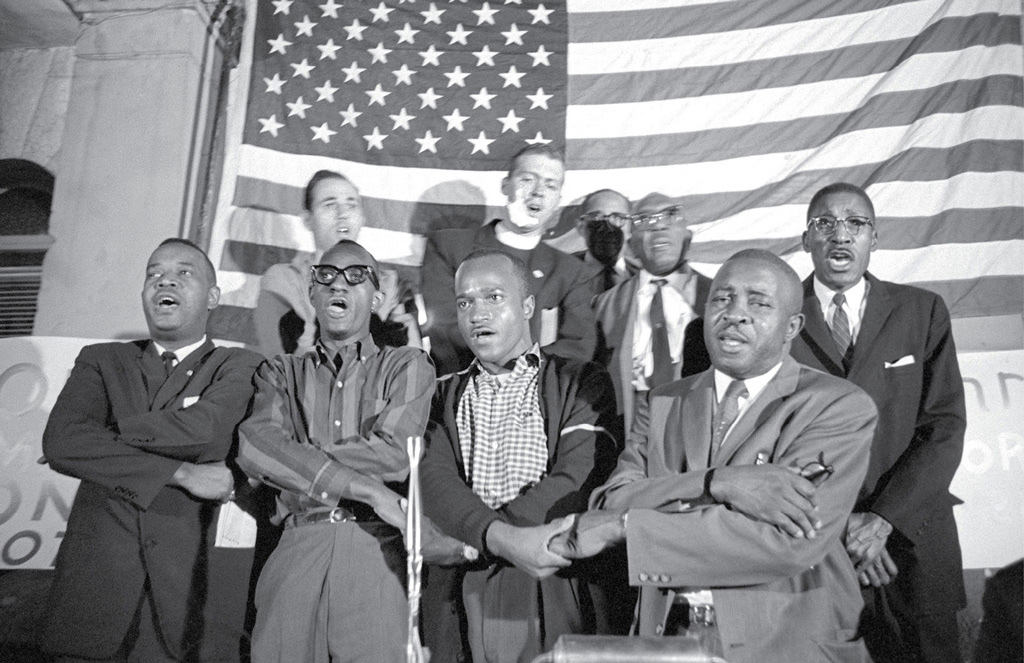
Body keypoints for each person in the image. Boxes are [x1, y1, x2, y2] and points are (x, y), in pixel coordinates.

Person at [551, 249, 878, 663]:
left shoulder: (837, 405)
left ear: (791, 326)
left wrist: (628, 526)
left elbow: (786, 542)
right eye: (722, 299)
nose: (735, 314)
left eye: (758, 303)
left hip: (786, 643)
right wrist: (718, 483)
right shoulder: (664, 401)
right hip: (669, 638)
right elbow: (612, 499)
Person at [40, 238, 264, 663]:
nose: (166, 280)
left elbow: (209, 430)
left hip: (185, 611)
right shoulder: (102, 359)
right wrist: (183, 473)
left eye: (184, 272)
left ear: (213, 297)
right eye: (154, 273)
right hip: (92, 603)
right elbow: (61, 442)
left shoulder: (239, 365)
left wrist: (103, 436)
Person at [790, 182, 967, 663]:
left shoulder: (922, 311)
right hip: (820, 548)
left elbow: (944, 426)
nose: (839, 234)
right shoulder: (779, 318)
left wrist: (883, 520)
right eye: (824, 223)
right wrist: (841, 524)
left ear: (874, 237)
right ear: (805, 240)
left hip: (914, 545)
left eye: (855, 223)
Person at [237, 239, 435, 663]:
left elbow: (395, 452)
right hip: (293, 548)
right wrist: (371, 490)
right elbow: (254, 445)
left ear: (377, 296)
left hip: (375, 553)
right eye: (325, 276)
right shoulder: (280, 371)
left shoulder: (407, 365)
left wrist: (293, 457)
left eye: (355, 276)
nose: (338, 285)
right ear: (312, 292)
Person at [420, 249, 619, 663]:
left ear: (528, 306)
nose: (477, 314)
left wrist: (481, 540)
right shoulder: (438, 393)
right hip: (464, 582)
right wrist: (497, 541)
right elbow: (433, 481)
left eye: (494, 297)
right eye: (464, 302)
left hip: (551, 571)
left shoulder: (581, 380)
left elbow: (578, 479)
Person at [420, 145, 602, 376]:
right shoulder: (449, 247)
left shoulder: (569, 271)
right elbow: (445, 328)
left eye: (550, 185)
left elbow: (578, 345)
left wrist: (520, 373)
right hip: (462, 387)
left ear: (558, 199)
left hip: (539, 397)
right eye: (527, 179)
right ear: (505, 186)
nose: (538, 191)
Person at [254, 170, 417, 357]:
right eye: (330, 205)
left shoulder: (390, 284)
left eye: (351, 205)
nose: (343, 214)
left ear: (362, 218)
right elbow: (275, 359)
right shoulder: (284, 280)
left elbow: (413, 362)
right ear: (308, 220)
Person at [594, 193, 712, 436]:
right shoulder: (605, 306)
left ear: (687, 238)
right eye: (646, 223)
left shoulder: (717, 296)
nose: (658, 226)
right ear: (632, 244)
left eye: (669, 220)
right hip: (629, 429)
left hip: (698, 423)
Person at [574, 188, 636, 291]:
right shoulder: (558, 273)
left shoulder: (646, 274)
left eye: (618, 217)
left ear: (631, 227)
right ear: (581, 227)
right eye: (596, 218)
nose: (607, 227)